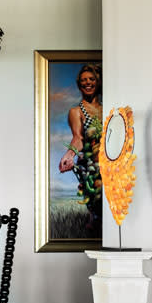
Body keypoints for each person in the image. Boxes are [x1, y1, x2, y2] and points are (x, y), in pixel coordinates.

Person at [57, 63, 103, 232]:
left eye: (91, 79)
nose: (87, 83)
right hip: (91, 168)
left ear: (98, 82)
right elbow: (78, 138)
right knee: (96, 213)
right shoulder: (76, 111)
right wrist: (69, 154)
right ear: (79, 84)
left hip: (111, 166)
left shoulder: (108, 109)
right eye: (83, 80)